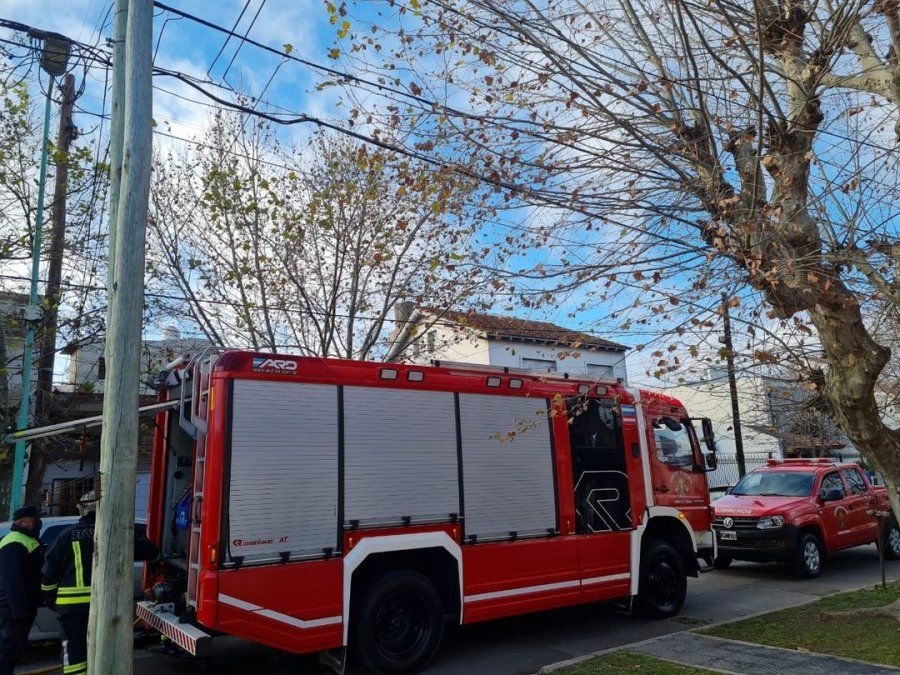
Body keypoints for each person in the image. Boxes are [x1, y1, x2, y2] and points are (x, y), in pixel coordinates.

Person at [42, 492, 159, 675]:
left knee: (73, 651)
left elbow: (48, 578)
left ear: (83, 509)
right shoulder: (119, 532)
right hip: (110, 605)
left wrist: (53, 602)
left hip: (71, 610)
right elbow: (152, 553)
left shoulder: (64, 536)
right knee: (109, 648)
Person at [0, 505, 44, 675]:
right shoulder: (14, 542)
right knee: (7, 651)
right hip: (12, 610)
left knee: (12, 650)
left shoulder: (25, 539)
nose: (38, 523)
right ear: (24, 522)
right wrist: (21, 610)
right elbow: (12, 581)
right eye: (36, 520)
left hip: (18, 609)